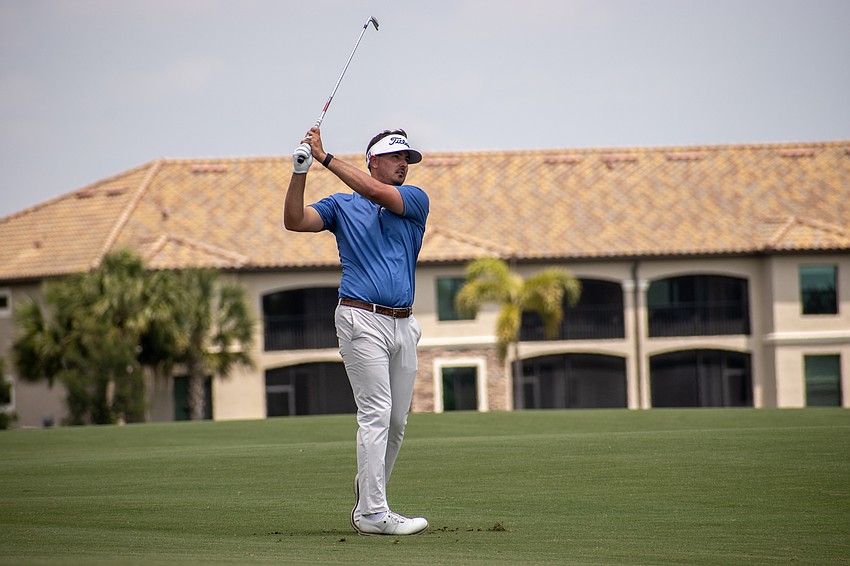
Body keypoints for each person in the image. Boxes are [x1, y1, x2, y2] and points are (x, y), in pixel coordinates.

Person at [283, 126, 429, 536]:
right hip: (360, 318)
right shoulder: (341, 206)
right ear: (373, 161)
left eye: (406, 158)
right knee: (376, 413)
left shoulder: (414, 199)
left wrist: (326, 158)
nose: (404, 164)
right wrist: (301, 171)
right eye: (396, 157)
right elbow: (295, 220)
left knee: (396, 422)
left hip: (404, 324)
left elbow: (377, 194)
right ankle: (373, 513)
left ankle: (368, 494)